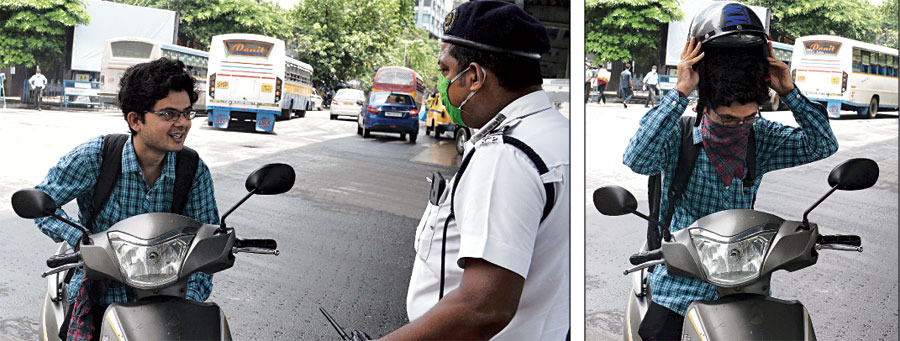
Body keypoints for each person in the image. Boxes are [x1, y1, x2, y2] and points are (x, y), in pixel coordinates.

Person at [622, 2, 838, 339]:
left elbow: (822, 144)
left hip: (744, 281)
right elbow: (637, 158)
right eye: (727, 119)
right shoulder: (678, 136)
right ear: (704, 108)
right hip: (680, 282)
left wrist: (789, 92)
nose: (738, 126)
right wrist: (680, 92)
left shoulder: (759, 138)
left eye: (748, 117)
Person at [383, 1, 569, 339]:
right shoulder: (558, 133)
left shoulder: (505, 156)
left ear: (473, 77)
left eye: (445, 71)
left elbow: (483, 308)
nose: (443, 84)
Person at [32, 57, 219, 341]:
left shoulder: (192, 170)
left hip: (168, 300)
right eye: (169, 114)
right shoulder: (97, 157)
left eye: (186, 113)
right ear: (135, 120)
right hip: (100, 295)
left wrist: (187, 298)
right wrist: (81, 240)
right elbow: (43, 203)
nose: (182, 123)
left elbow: (206, 244)